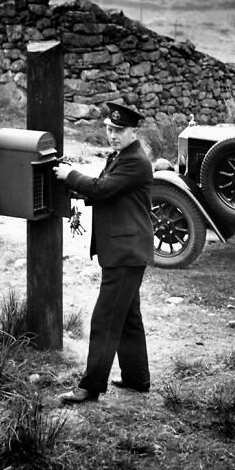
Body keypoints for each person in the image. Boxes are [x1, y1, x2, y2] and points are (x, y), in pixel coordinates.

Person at [53, 102, 154, 404]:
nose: (113, 135)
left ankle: (90, 386)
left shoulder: (135, 161)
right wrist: (76, 189)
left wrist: (70, 175)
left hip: (126, 253)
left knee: (105, 319)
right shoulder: (121, 157)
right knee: (128, 316)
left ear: (133, 132)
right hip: (126, 250)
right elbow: (107, 191)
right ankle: (137, 377)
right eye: (110, 129)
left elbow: (101, 189)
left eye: (119, 130)